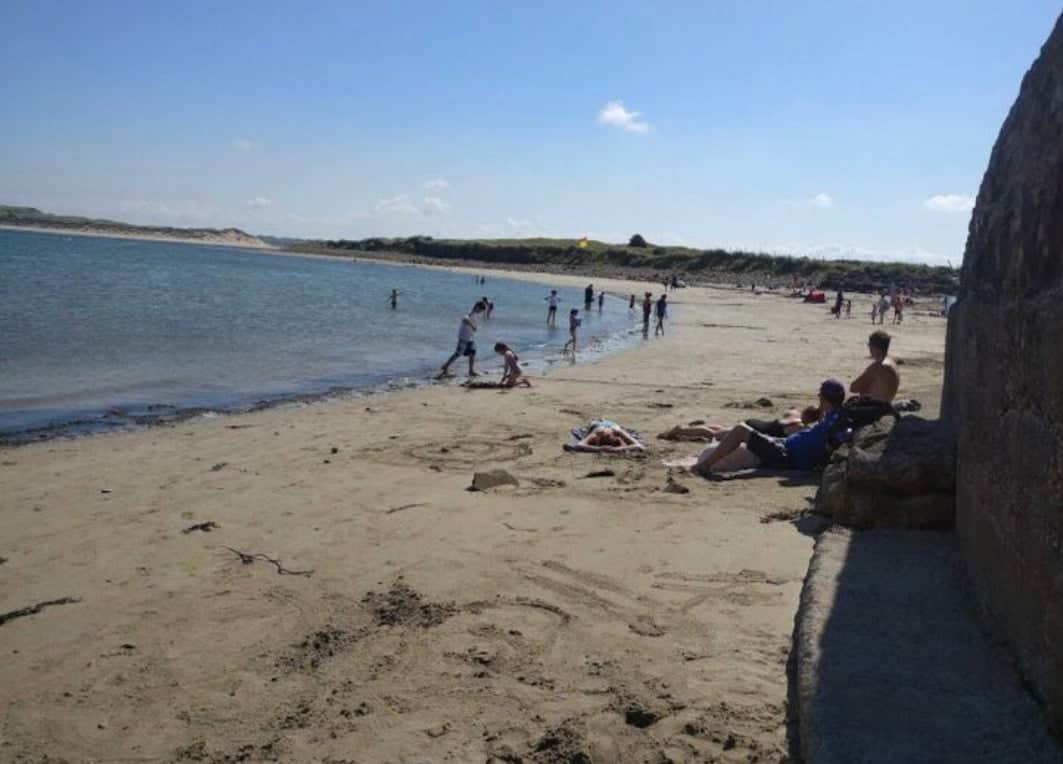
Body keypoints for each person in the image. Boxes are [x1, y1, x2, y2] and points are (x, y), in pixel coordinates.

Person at [691, 379, 846, 475]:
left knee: (740, 430)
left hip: (786, 456)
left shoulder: (831, 422)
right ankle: (707, 459)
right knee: (740, 436)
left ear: (823, 397)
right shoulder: (833, 418)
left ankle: (704, 466)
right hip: (784, 447)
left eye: (820, 394)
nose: (818, 396)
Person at [659, 406, 819, 442]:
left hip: (755, 422)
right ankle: (681, 430)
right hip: (753, 428)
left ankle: (689, 428)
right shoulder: (799, 428)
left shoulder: (794, 415)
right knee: (714, 435)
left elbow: (791, 410)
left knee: (721, 430)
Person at [438, 302, 486, 378]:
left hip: (469, 337)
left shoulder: (474, 314)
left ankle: (471, 371)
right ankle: (445, 366)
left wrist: (473, 329)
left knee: (472, 352)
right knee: (458, 354)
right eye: (481, 310)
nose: (481, 312)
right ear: (477, 307)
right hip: (464, 337)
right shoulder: (471, 313)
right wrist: (473, 326)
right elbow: (464, 319)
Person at [850, 330, 900, 402]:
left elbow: (853, 388)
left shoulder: (878, 367)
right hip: (886, 404)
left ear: (873, 347)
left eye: (869, 345)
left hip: (874, 408)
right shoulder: (892, 362)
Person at [571, 421, 645, 452]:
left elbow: (639, 446)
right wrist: (599, 449)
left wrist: (616, 449)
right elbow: (579, 445)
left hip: (613, 426)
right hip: (598, 425)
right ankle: (596, 422)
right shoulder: (598, 432)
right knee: (593, 425)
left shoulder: (618, 432)